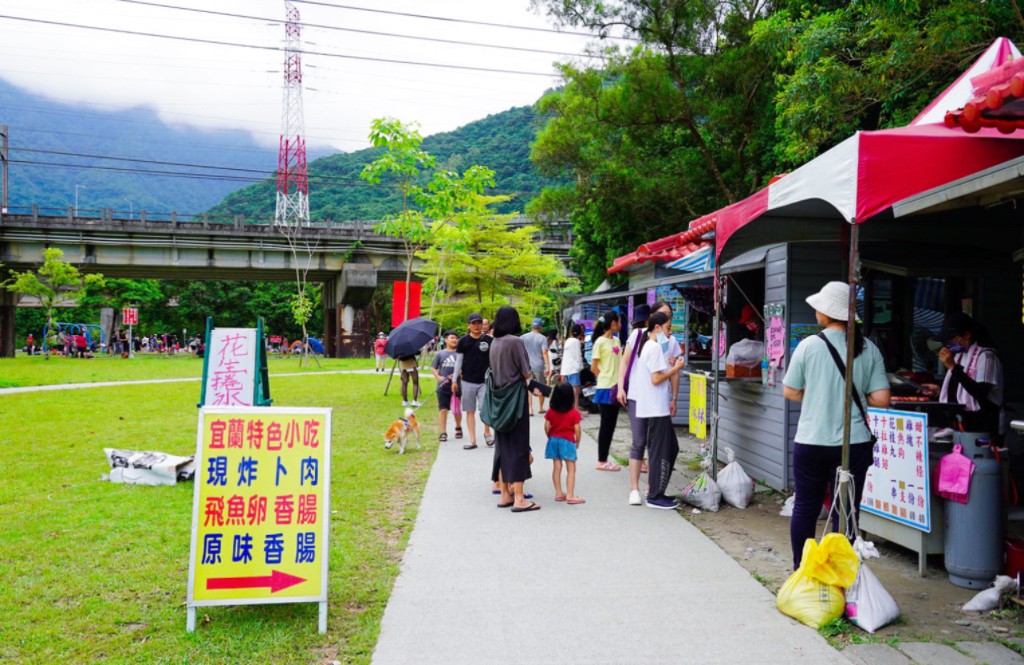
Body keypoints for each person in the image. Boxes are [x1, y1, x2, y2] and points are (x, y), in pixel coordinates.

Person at [782, 281, 890, 569]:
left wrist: (817, 393)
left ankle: (802, 571)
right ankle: (840, 575)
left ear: (827, 313)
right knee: (847, 511)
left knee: (806, 507)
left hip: (812, 441)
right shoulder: (868, 348)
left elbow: (790, 391)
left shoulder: (808, 346)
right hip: (853, 444)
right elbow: (881, 398)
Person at [629, 311, 687, 509]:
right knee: (661, 451)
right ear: (657, 328)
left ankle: (657, 491)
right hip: (655, 407)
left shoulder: (651, 347)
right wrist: (676, 368)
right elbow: (656, 379)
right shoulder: (652, 347)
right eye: (668, 328)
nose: (669, 333)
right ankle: (654, 495)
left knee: (669, 448)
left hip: (656, 406)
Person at [490, 305, 540, 512]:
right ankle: (519, 498)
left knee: (503, 448)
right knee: (519, 447)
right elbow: (527, 373)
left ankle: (505, 494)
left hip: (499, 400)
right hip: (516, 400)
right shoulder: (515, 341)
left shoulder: (494, 343)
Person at [936, 312, 1003, 437]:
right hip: (963, 422)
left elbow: (980, 392)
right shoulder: (960, 355)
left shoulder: (987, 357)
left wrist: (953, 367)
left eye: (952, 339)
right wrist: (938, 390)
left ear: (966, 335)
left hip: (983, 425)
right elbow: (960, 386)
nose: (949, 344)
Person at [453, 313, 494, 449]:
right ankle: (472, 440)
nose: (477, 325)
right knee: (470, 411)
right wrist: (454, 380)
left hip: (485, 381)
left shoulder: (489, 340)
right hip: (467, 381)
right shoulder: (463, 342)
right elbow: (458, 362)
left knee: (485, 409)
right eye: (473, 323)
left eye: (479, 322)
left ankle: (487, 433)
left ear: (483, 324)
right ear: (468, 325)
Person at [590, 310, 622, 471]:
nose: (621, 325)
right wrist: (605, 377)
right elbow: (594, 367)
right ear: (613, 323)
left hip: (617, 388)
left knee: (611, 425)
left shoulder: (617, 341)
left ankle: (604, 459)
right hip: (605, 388)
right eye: (619, 322)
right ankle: (601, 460)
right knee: (606, 425)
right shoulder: (600, 342)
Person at [545, 381, 584, 505]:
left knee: (557, 467)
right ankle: (571, 495)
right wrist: (577, 440)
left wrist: (550, 436)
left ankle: (558, 493)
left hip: (554, 440)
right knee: (571, 468)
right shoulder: (573, 413)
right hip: (567, 441)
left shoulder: (551, 411)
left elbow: (546, 426)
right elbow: (577, 428)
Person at [431, 330, 462, 442]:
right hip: (443, 386)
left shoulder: (460, 353)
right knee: (443, 409)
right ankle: (443, 432)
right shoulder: (440, 354)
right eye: (452, 337)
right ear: (446, 340)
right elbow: (433, 368)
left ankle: (458, 427)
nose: (454, 340)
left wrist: (458, 373)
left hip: (457, 386)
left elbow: (464, 369)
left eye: (456, 338)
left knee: (456, 408)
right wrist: (438, 377)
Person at [520, 318, 551, 415]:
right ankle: (541, 408)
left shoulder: (523, 337)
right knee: (541, 387)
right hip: (539, 366)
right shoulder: (542, 338)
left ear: (532, 326)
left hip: (526, 366)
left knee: (528, 387)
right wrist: (548, 367)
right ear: (540, 327)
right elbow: (544, 352)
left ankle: (530, 409)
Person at [559, 323, 586, 410]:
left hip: (566, 369)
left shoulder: (568, 341)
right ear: (579, 333)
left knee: (568, 391)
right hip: (574, 369)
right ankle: (576, 410)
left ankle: (569, 408)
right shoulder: (576, 342)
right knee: (576, 391)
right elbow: (577, 356)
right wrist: (580, 367)